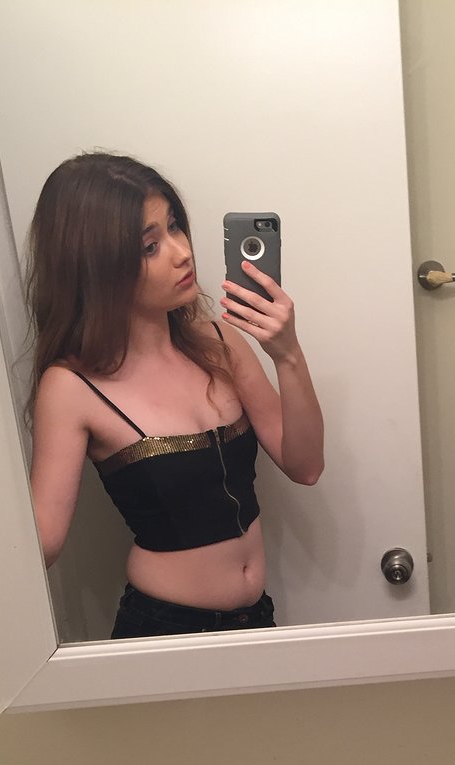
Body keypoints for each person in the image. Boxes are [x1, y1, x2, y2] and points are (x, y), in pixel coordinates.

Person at [25, 152, 323, 638]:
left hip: (257, 622)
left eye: (175, 227)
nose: (182, 252)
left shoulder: (221, 342)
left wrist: (287, 355)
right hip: (163, 630)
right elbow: (43, 542)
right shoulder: (71, 386)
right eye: (150, 246)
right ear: (96, 266)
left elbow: (305, 466)